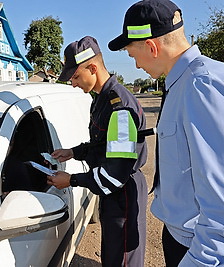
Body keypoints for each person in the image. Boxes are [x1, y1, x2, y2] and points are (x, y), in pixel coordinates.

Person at [108, 0, 224, 266]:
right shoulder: (183, 83)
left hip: (199, 247)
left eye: (132, 55)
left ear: (151, 47)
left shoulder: (203, 85)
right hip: (183, 236)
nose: (136, 66)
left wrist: (201, 260)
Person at [47, 36, 148, 266]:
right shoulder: (101, 99)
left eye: (75, 76)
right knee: (111, 254)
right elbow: (102, 145)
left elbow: (115, 174)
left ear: (92, 68)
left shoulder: (119, 107)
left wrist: (71, 180)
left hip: (122, 192)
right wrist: (73, 152)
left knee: (121, 259)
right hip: (113, 190)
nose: (73, 83)